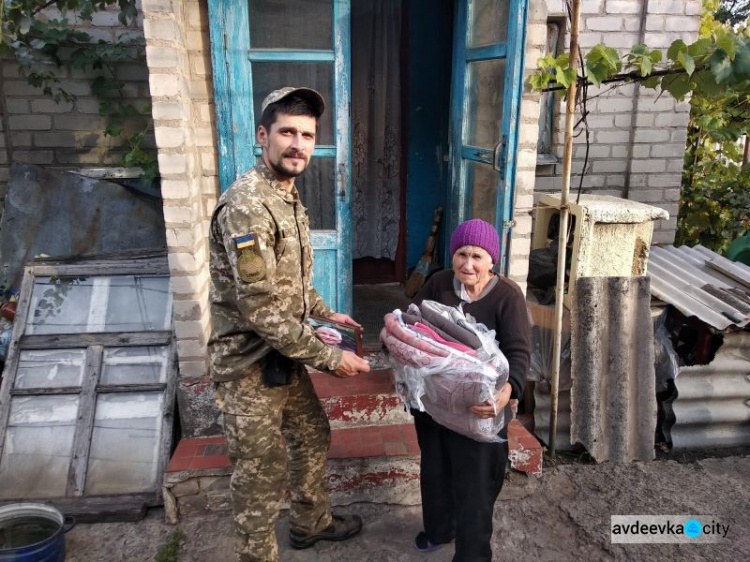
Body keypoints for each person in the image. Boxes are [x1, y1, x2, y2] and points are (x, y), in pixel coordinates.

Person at [208, 86, 371, 562]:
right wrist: (329, 357)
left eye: (307, 134)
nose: (298, 143)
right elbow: (261, 309)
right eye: (287, 132)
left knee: (310, 434)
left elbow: (290, 284)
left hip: (284, 352)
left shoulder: (285, 195)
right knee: (259, 471)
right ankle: (258, 556)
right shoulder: (248, 205)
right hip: (249, 365)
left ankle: (310, 523)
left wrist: (324, 312)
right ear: (263, 135)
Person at [411, 218, 530, 561]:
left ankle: (473, 555)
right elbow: (413, 319)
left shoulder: (506, 295)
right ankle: (439, 530)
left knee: (476, 483)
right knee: (435, 471)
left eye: (477, 255)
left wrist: (508, 391)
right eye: (462, 254)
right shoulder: (438, 283)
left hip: (481, 408)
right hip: (435, 404)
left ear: (493, 260)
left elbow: (519, 351)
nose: (468, 264)